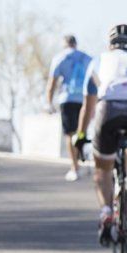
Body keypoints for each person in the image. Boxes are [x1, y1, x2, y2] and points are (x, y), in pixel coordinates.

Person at [75, 24, 127, 245]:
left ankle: (107, 212)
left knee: (103, 166)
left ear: (110, 45)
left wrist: (81, 135)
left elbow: (88, 107)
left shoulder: (98, 61)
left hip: (108, 111)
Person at [47, 35, 91, 181]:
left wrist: (49, 102)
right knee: (81, 131)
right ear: (75, 44)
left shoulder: (60, 58)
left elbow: (52, 82)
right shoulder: (86, 58)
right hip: (84, 98)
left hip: (67, 99)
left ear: (64, 44)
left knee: (69, 133)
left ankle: (75, 167)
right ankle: (82, 156)